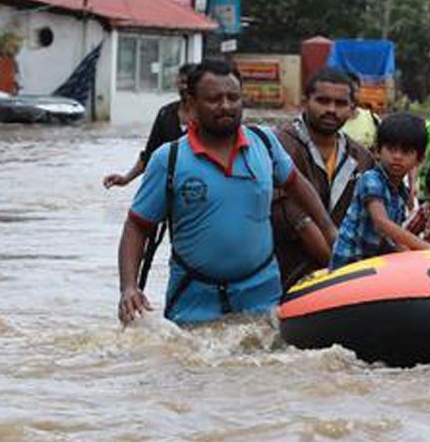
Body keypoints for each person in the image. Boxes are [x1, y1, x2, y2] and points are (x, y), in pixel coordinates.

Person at [116, 60, 335, 326]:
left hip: (261, 294)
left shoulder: (265, 144)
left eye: (233, 97)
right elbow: (137, 227)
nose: (226, 106)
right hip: (193, 298)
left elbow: (297, 185)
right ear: (192, 103)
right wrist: (128, 286)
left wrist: (329, 230)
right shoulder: (169, 159)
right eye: (214, 99)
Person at [270, 68, 376, 291]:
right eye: (323, 101)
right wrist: (344, 272)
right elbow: (294, 218)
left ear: (352, 109)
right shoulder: (279, 145)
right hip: (288, 275)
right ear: (304, 102)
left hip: (344, 276)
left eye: (340, 103)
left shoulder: (361, 157)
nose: (331, 110)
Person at [331, 113, 430, 268]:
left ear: (419, 160)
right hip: (349, 263)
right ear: (377, 151)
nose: (397, 157)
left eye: (406, 152)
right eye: (391, 149)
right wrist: (427, 247)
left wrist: (417, 255)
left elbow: (394, 238)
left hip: (371, 262)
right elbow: (382, 223)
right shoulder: (371, 179)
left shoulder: (400, 193)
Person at [103, 63, 197, 188]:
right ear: (177, 84)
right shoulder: (166, 114)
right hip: (168, 186)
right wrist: (126, 179)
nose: (185, 87)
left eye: (190, 83)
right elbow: (150, 154)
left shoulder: (208, 116)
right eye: (182, 82)